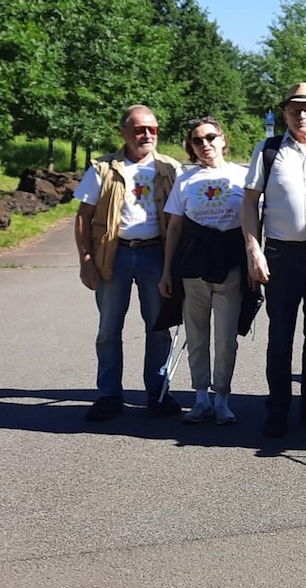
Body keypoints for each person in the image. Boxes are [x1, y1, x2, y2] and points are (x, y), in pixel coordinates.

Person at [242, 82, 306, 438]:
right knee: (280, 337)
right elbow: (249, 204)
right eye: (294, 109)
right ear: (285, 113)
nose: (301, 115)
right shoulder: (268, 150)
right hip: (281, 255)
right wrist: (253, 250)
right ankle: (277, 410)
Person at [74, 105, 183, 421]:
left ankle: (157, 392)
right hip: (115, 254)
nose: (147, 135)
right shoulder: (103, 169)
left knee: (159, 327)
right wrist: (85, 260)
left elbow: (182, 218)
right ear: (123, 132)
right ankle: (109, 394)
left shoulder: (170, 168)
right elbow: (83, 218)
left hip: (156, 255)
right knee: (109, 328)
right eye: (139, 129)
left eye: (152, 129)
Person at [159, 117, 246, 425]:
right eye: (198, 140)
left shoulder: (242, 176)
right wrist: (167, 271)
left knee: (225, 338)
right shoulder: (185, 179)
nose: (205, 144)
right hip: (193, 268)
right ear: (191, 147)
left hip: (230, 267)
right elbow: (174, 228)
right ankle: (200, 398)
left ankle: (222, 398)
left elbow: (254, 225)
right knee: (196, 336)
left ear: (223, 139)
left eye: (211, 137)